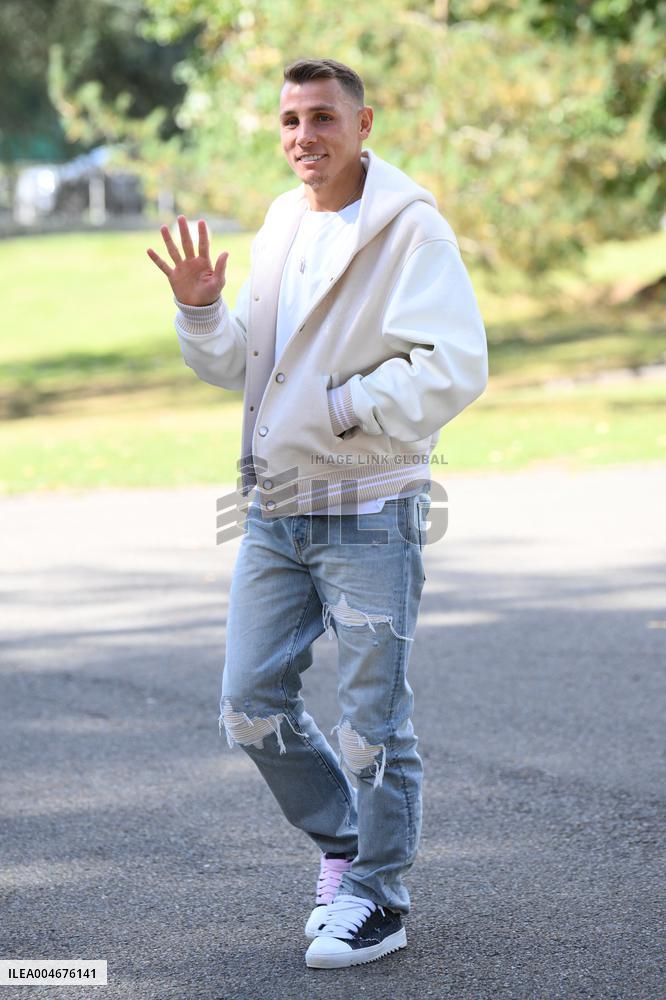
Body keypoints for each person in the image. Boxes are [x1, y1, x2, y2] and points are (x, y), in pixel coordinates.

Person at [147, 57, 488, 970]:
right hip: (274, 508)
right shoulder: (282, 223)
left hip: (371, 505)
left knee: (373, 719)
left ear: (364, 123)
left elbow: (455, 363)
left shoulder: (411, 231)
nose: (306, 137)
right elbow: (243, 367)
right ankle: (347, 846)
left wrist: (343, 407)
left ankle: (380, 898)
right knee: (251, 701)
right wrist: (203, 310)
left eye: (325, 118)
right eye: (293, 120)